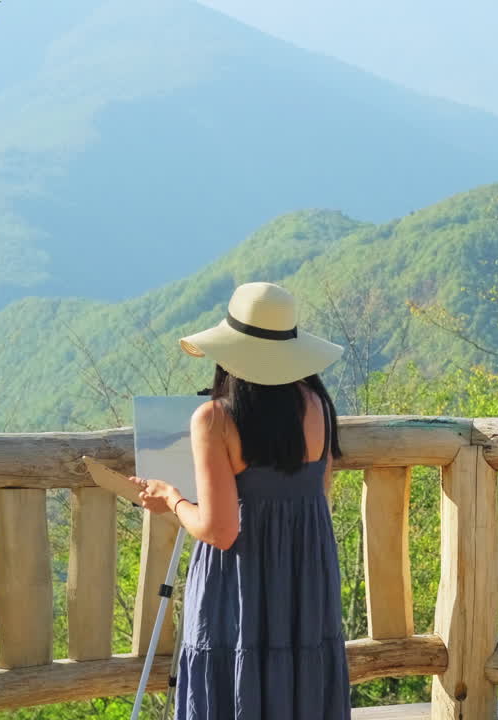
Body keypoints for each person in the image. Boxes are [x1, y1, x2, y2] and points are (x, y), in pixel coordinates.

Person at [130, 281, 352, 720]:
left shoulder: (216, 418)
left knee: (233, 685)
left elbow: (220, 530)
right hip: (305, 581)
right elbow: (318, 494)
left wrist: (172, 499)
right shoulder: (318, 406)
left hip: (241, 585)